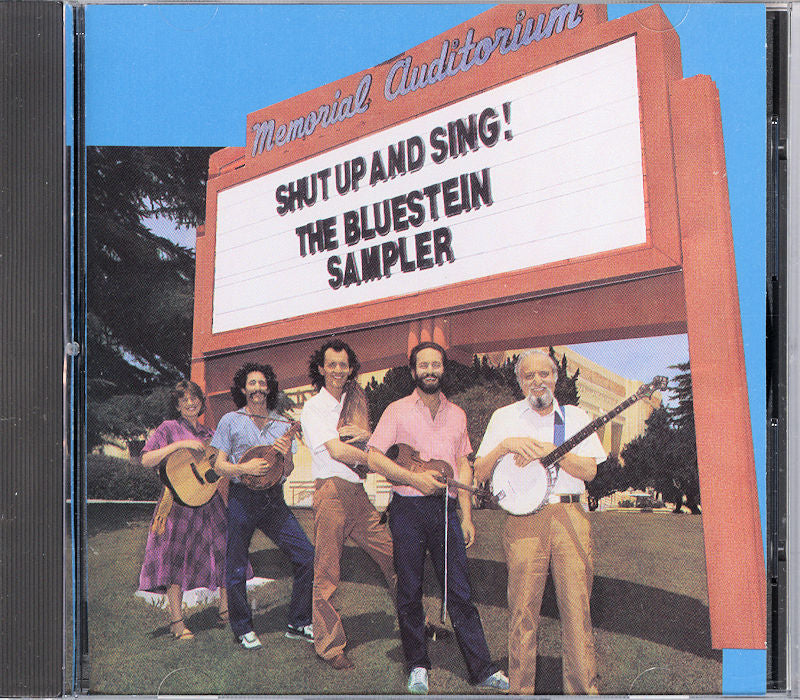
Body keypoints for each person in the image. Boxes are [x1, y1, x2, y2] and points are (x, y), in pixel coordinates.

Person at [367, 342, 509, 695]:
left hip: (444, 510)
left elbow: (463, 464)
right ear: (413, 370)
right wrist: (414, 478)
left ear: (443, 369)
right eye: (423, 365)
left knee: (459, 590)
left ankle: (482, 668)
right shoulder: (396, 410)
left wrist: (466, 515)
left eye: (436, 364)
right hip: (407, 509)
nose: (430, 370)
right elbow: (373, 458)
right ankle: (417, 664)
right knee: (410, 590)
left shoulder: (458, 414)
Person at [473, 349, 606, 694]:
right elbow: (479, 472)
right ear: (519, 382)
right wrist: (504, 446)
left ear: (555, 378)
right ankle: (521, 691)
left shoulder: (574, 416)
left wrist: (554, 453)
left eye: (544, 374)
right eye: (528, 376)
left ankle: (582, 691)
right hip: (523, 522)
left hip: (569, 515)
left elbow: (591, 470)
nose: (537, 382)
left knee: (577, 612)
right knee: (522, 613)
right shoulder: (504, 417)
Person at [300, 338, 396, 670]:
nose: (338, 370)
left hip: (358, 494)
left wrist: (370, 442)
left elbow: (370, 443)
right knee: (326, 572)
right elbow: (338, 452)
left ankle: (414, 625)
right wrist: (377, 458)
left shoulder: (355, 402)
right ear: (321, 368)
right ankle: (329, 646)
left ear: (350, 368)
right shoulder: (314, 407)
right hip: (331, 494)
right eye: (332, 364)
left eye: (344, 364)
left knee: (394, 557)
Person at [210, 362, 315, 650]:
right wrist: (244, 468)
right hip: (242, 498)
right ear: (243, 389)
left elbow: (287, 470)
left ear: (269, 388)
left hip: (273, 500)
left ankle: (298, 621)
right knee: (236, 565)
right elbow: (219, 465)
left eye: (262, 383)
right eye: (251, 384)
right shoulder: (230, 420)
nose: (257, 389)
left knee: (307, 556)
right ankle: (242, 627)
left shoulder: (282, 424)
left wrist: (286, 457)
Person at [138, 380, 229, 640]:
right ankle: (177, 623)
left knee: (225, 549)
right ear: (177, 404)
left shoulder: (210, 434)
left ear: (200, 402)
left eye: (194, 399)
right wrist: (179, 446)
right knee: (174, 559)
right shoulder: (168, 429)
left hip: (208, 502)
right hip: (177, 503)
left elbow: (218, 469)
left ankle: (225, 609)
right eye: (184, 399)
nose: (190, 403)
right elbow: (146, 459)